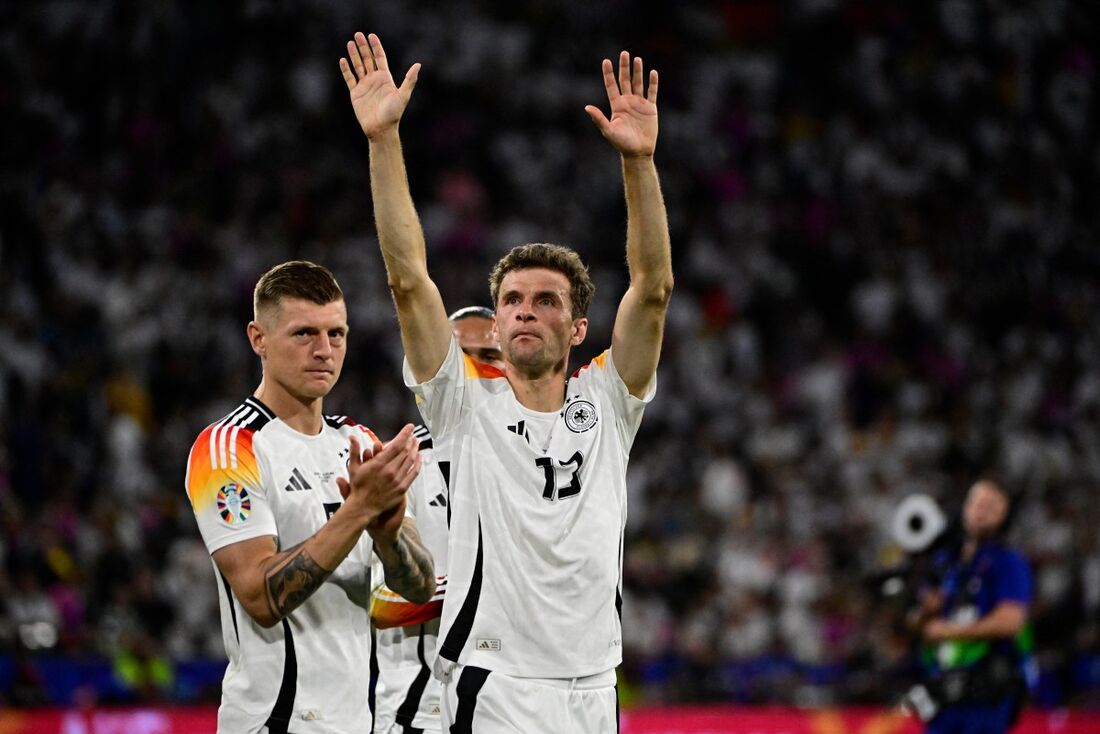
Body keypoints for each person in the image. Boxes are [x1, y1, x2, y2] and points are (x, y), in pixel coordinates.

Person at [340, 32, 672, 733]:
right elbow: (407, 281)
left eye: (546, 300)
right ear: (494, 324)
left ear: (579, 327)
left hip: (593, 686)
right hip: (497, 687)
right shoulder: (463, 406)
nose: (525, 311)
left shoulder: (607, 403)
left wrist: (639, 164)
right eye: (513, 300)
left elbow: (652, 291)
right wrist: (383, 141)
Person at [184, 260, 437, 733]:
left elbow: (420, 587)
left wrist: (387, 538)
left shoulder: (361, 443)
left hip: (357, 723)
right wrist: (359, 510)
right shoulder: (227, 448)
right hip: (274, 722)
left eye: (336, 335)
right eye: (304, 334)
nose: (324, 351)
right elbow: (260, 596)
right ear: (258, 339)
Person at [370, 308, 504, 734]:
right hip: (423, 714)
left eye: (490, 354)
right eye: (461, 357)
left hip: (518, 711)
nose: (477, 368)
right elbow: (380, 603)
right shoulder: (397, 465)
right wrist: (488, 581)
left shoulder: (549, 462)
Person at [904, 478, 1035, 734]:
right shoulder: (946, 563)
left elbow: (1010, 622)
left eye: (992, 506)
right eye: (977, 503)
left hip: (985, 694)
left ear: (1004, 515)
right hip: (944, 692)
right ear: (965, 508)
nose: (982, 511)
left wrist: (948, 631)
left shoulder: (1009, 562)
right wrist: (925, 612)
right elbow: (917, 625)